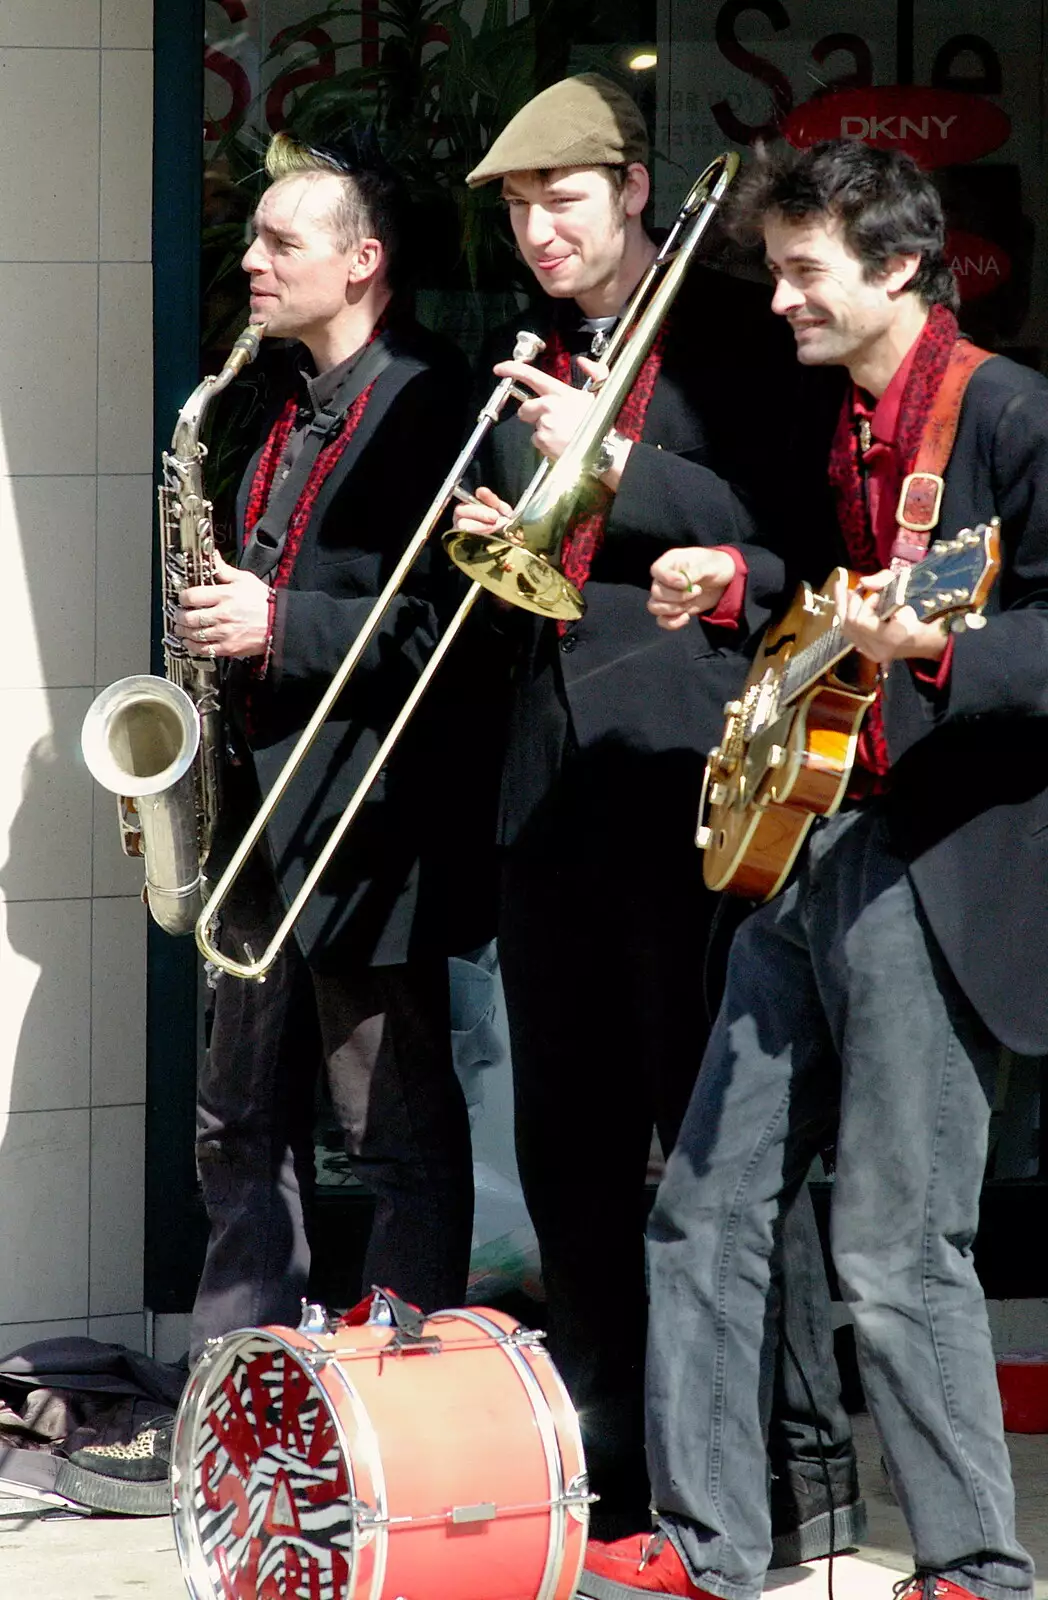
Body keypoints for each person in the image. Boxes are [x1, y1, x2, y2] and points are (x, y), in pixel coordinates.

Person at [582, 139, 1045, 1600]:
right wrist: (739, 585)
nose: (779, 301)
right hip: (818, 833)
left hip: (939, 857)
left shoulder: (1010, 413)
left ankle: (976, 1564)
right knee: (705, 1202)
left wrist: (952, 648)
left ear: (899, 268)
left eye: (803, 272)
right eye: (777, 270)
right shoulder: (840, 417)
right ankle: (713, 1546)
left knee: (898, 1242)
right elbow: (826, 591)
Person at [454, 75, 862, 1553]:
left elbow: (787, 533)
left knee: (725, 1153)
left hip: (692, 792)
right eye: (514, 207)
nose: (539, 228)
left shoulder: (734, 339)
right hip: (552, 794)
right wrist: (512, 533)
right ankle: (619, 1464)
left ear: (634, 189)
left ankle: (798, 1474)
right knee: (569, 1147)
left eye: (562, 198)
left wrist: (605, 463)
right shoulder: (541, 361)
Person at [174, 133, 478, 1371]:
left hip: (364, 826)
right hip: (252, 810)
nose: (249, 262)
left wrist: (277, 622)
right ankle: (233, 1382)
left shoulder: (436, 405)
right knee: (235, 1120)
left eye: (278, 243)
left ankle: (403, 1397)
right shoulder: (260, 402)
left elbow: (460, 630)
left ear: (363, 264)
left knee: (391, 1127)